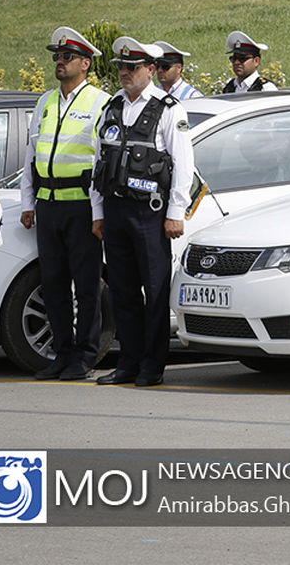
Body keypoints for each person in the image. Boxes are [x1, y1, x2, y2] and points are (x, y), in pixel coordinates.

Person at [91, 36, 195, 387]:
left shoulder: (169, 109)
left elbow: (183, 164)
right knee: (122, 291)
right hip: (116, 211)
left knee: (154, 292)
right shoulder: (112, 106)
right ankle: (129, 363)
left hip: (151, 214)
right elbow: (99, 161)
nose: (124, 73)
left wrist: (175, 211)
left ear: (150, 70)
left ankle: (153, 366)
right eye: (121, 67)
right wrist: (97, 212)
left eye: (132, 67)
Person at [18, 26, 111, 381]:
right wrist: (29, 201)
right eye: (57, 57)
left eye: (67, 57)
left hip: (82, 206)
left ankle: (85, 356)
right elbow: (31, 154)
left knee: (86, 285)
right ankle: (62, 352)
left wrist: (99, 213)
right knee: (53, 282)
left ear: (85, 64)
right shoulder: (45, 101)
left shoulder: (100, 102)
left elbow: (103, 162)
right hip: (48, 204)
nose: (59, 62)